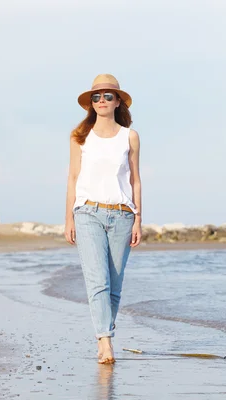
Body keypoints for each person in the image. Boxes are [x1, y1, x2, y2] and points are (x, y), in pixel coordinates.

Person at [64, 74, 142, 364]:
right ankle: (105, 342)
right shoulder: (79, 136)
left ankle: (104, 333)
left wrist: (138, 219)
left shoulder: (129, 136)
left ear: (118, 101)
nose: (101, 101)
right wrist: (69, 218)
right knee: (98, 281)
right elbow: (72, 178)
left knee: (115, 285)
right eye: (96, 97)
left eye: (108, 96)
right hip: (87, 213)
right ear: (91, 103)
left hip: (122, 215)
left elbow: (135, 180)